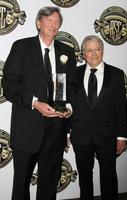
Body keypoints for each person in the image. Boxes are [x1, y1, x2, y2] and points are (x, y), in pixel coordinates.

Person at [2, 6, 76, 200]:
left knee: (49, 186)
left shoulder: (66, 51)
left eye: (57, 22)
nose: (54, 25)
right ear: (38, 23)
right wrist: (35, 103)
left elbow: (69, 89)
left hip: (56, 131)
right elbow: (9, 86)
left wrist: (67, 113)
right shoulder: (22, 47)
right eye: (49, 20)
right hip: (27, 130)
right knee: (21, 187)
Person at [69, 35, 127, 200]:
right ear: (83, 53)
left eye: (97, 49)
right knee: (85, 180)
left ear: (103, 50)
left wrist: (122, 136)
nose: (94, 54)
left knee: (109, 179)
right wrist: (66, 132)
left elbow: (121, 108)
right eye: (89, 50)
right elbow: (69, 104)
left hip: (107, 136)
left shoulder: (116, 74)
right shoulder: (74, 74)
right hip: (81, 136)